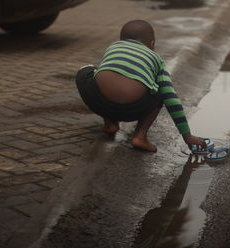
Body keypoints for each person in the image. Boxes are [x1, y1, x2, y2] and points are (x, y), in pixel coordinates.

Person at [76, 20, 206, 152]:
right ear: (152, 44)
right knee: (162, 91)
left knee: (88, 72)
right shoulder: (156, 59)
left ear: (122, 40)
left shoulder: (113, 47)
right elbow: (171, 99)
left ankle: (110, 124)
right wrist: (187, 136)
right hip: (134, 109)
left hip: (100, 102)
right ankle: (140, 137)